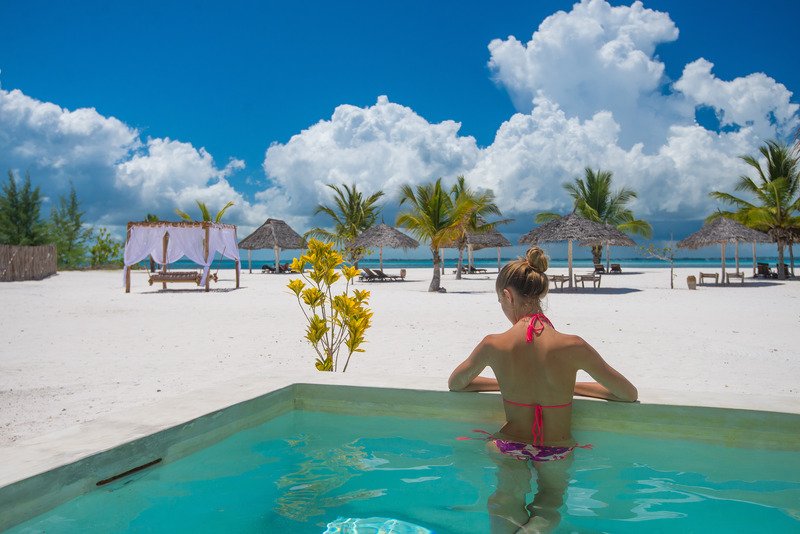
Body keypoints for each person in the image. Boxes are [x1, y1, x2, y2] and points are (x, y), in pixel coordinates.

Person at [448, 246, 637, 532]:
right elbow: (627, 393)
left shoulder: (493, 344)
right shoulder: (573, 345)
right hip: (556, 449)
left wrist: (503, 383)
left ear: (507, 296)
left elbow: (457, 383)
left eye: (500, 301)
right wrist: (575, 388)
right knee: (548, 505)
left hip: (508, 445)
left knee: (503, 499)